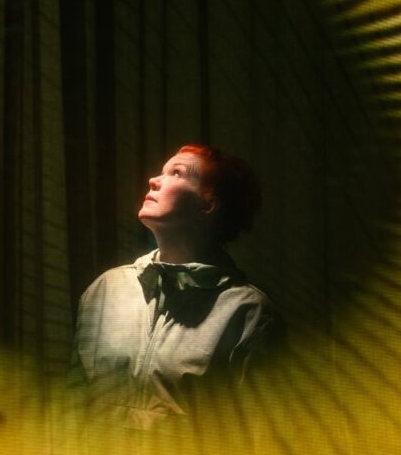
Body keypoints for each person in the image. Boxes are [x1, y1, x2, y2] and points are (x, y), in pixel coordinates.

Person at [67, 144, 275, 438]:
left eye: (177, 173)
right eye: (161, 172)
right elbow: (76, 403)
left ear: (208, 205)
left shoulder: (247, 312)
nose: (153, 180)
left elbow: (257, 432)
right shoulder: (106, 290)